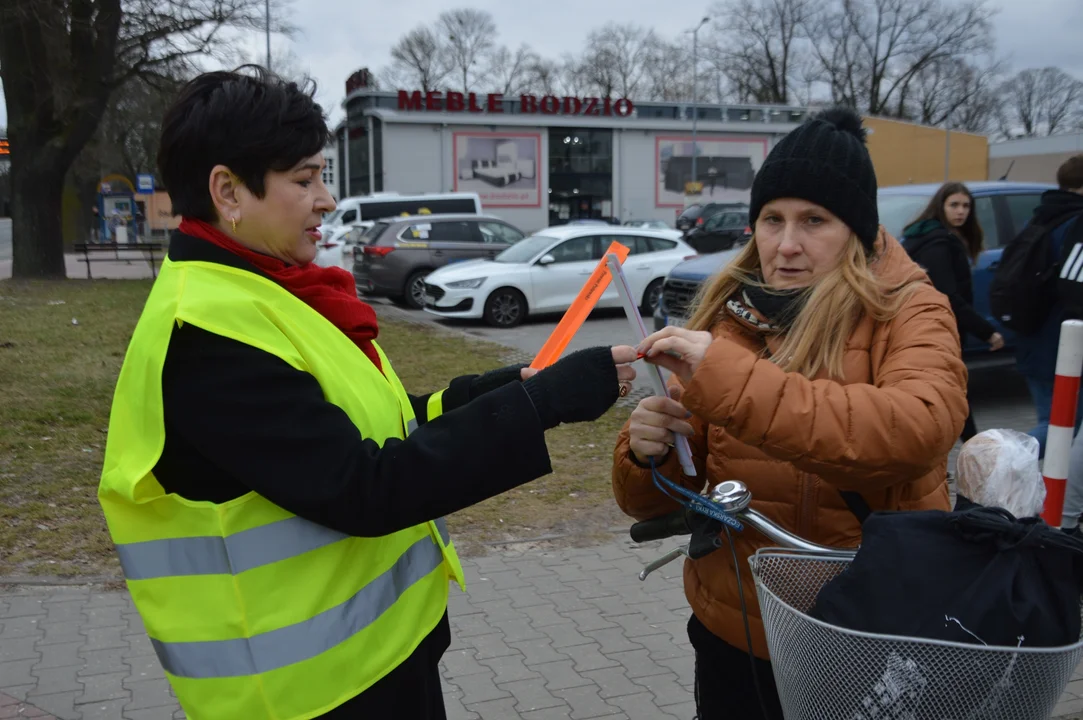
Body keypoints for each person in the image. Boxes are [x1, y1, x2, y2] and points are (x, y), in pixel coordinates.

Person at [96, 67, 638, 720]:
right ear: (227, 192)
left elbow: (379, 419)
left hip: (376, 664)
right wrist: (541, 404)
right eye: (305, 179)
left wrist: (509, 385)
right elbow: (363, 485)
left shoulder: (267, 293)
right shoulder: (205, 335)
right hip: (310, 696)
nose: (326, 199)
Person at [611, 107, 969, 720]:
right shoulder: (728, 315)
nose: (786, 245)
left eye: (814, 220)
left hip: (866, 632)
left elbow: (918, 428)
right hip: (736, 628)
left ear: (857, 230)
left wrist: (728, 377)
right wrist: (651, 454)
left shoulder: (911, 311)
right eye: (771, 220)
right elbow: (657, 501)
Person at [901, 181, 1003, 441]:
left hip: (924, 328)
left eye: (966, 206)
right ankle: (974, 458)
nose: (961, 211)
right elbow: (949, 296)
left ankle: (964, 457)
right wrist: (987, 331)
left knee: (949, 397)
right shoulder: (939, 244)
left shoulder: (925, 237)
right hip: (939, 331)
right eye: (954, 205)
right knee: (954, 397)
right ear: (940, 206)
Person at [1012, 155, 1083, 460]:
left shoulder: (1040, 217)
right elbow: (1074, 291)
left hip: (1032, 339)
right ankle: (998, 460)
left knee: (1053, 425)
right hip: (1065, 346)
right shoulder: (1077, 223)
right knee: (1065, 430)